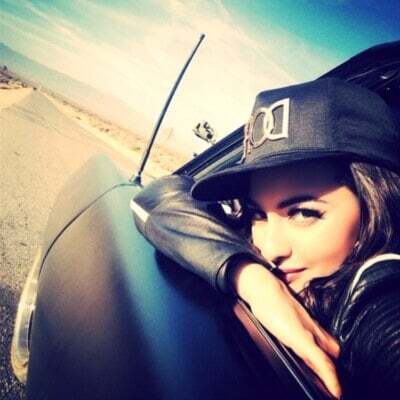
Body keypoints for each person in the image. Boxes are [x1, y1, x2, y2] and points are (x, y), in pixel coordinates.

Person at [132, 77, 400, 399]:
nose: (270, 249)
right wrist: (250, 278)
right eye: (257, 212)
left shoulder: (379, 296)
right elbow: (157, 197)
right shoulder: (254, 249)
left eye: (304, 213)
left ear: (375, 206)